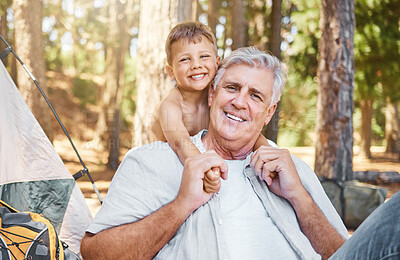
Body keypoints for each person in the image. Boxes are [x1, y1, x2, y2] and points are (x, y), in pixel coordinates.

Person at [80, 47, 399, 259]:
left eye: (255, 95)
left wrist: (299, 197)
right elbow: (94, 253)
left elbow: (341, 252)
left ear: (269, 111)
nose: (240, 102)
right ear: (213, 94)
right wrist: (182, 205)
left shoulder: (291, 169)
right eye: (232, 88)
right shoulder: (151, 161)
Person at [150, 21, 271, 193]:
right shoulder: (170, 106)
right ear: (171, 71)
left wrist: (264, 150)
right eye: (185, 59)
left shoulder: (219, 99)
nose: (196, 65)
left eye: (204, 56)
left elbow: (249, 131)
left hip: (195, 161)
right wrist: (205, 168)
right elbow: (180, 143)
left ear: (217, 62)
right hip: (167, 167)